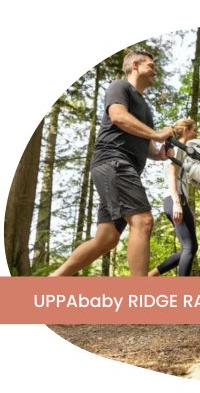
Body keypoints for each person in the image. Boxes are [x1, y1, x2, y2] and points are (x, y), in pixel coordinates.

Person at [50, 49, 174, 277]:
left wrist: (160, 154)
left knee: (106, 238)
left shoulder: (145, 108)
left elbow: (146, 146)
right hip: (113, 161)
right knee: (143, 221)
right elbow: (118, 116)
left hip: (118, 169)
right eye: (150, 65)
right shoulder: (120, 87)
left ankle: (55, 278)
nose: (155, 70)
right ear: (135, 65)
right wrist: (157, 134)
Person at [148, 119, 198, 277]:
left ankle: (151, 275)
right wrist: (177, 202)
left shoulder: (179, 148)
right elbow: (172, 174)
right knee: (190, 247)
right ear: (186, 130)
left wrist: (185, 206)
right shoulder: (178, 147)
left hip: (172, 199)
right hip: (174, 199)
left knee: (188, 248)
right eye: (194, 130)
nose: (196, 133)